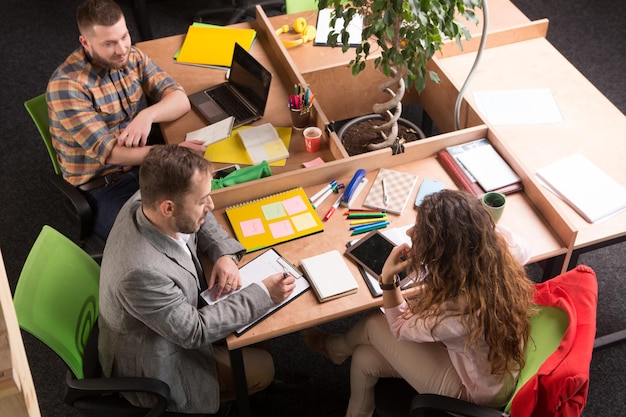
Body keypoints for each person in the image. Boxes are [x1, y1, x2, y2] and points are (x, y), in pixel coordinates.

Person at [98, 145, 296, 414]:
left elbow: (200, 220)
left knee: (257, 328)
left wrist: (224, 254)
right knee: (263, 367)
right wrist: (264, 293)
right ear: (168, 208)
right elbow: (195, 331)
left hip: (178, 312)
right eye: (203, 201)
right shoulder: (140, 273)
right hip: (159, 357)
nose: (211, 205)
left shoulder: (151, 196)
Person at [302, 189, 535, 417]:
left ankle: (333, 348)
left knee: (374, 324)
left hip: (475, 392)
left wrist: (388, 280)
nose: (411, 232)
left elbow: (400, 327)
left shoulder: (457, 314)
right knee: (364, 358)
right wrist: (470, 226)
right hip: (494, 369)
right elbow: (524, 248)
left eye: (421, 231)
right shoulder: (498, 254)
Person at [46, 0, 203, 239]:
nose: (121, 49)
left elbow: (179, 100)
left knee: (196, 208)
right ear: (85, 43)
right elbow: (110, 153)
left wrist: (147, 114)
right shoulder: (67, 87)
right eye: (109, 43)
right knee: (157, 238)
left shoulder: (131, 56)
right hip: (102, 185)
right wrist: (168, 153)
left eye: (124, 36)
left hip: (140, 162)